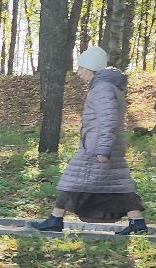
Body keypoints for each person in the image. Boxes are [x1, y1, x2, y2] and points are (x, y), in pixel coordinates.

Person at [29, 45, 148, 235]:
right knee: (118, 184)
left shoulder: (102, 88)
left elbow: (108, 120)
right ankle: (137, 222)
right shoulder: (108, 87)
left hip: (96, 147)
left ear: (90, 68)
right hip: (105, 145)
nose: (79, 73)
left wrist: (102, 149)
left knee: (71, 182)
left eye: (81, 68)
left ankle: (55, 220)